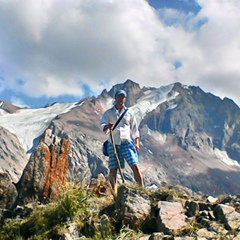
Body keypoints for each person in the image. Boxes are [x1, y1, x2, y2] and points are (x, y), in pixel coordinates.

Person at [100, 89, 144, 191]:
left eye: (123, 97)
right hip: (113, 142)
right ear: (115, 98)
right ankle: (114, 193)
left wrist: (136, 143)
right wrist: (107, 126)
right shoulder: (109, 113)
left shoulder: (129, 113)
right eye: (119, 96)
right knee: (113, 169)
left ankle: (142, 190)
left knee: (135, 165)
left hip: (126, 141)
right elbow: (102, 125)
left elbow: (134, 130)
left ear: (125, 99)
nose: (121, 99)